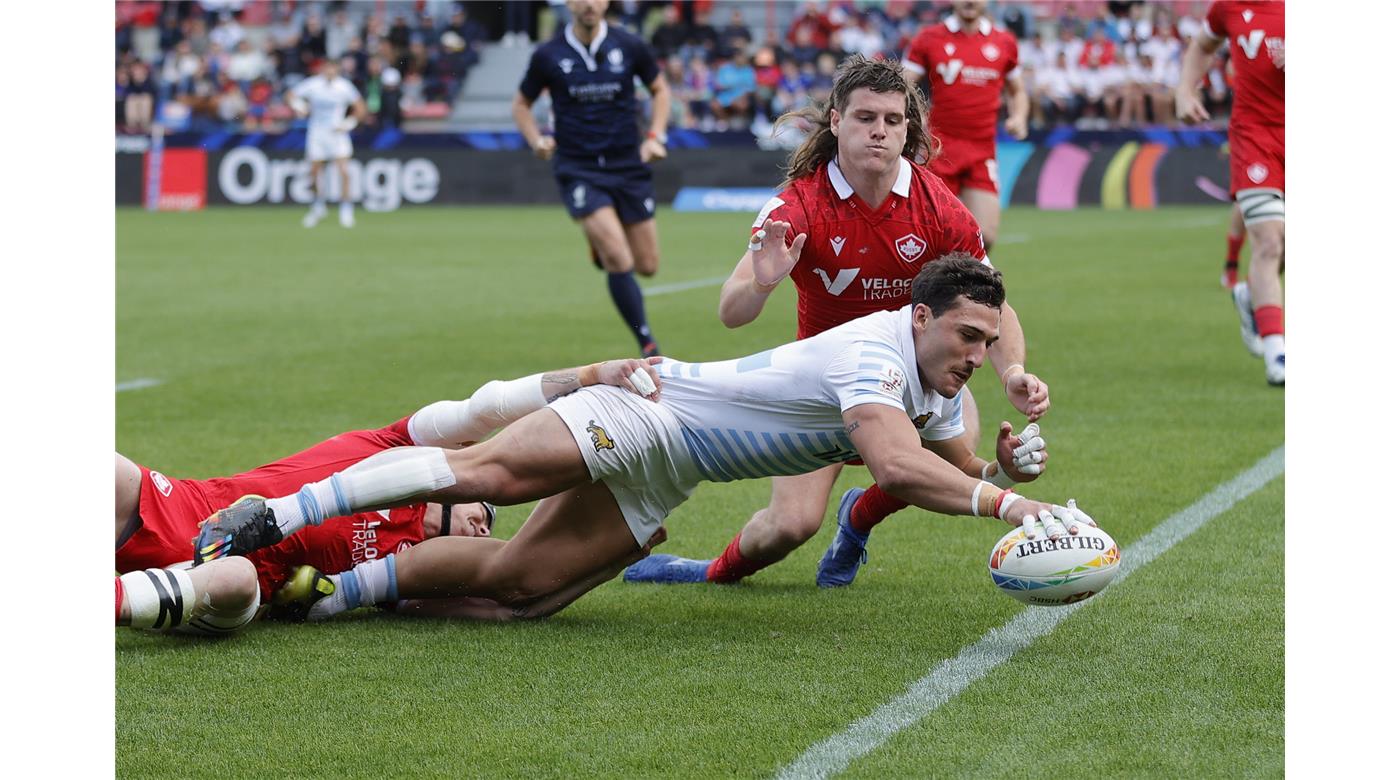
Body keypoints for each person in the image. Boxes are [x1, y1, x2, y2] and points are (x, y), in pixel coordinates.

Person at [195, 256, 1096, 624]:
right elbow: (894, 463)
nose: (978, 356)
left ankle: (324, 600)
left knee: (520, 596)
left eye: (989, 342)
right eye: (967, 338)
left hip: (674, 472)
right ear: (921, 318)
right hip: (653, 412)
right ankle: (272, 513)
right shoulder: (873, 350)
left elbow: (944, 462)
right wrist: (1017, 506)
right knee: (491, 476)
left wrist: (997, 466)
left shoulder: (935, 384)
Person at [624, 56, 1049, 590]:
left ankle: (857, 520)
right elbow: (731, 313)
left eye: (894, 121)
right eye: (865, 117)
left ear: (908, 129)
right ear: (835, 122)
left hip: (911, 383)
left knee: (951, 451)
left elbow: (993, 300)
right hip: (823, 388)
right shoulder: (799, 203)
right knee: (789, 526)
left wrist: (1012, 373)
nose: (880, 131)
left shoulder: (935, 202)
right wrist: (761, 281)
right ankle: (709, 570)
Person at [117, 357, 661, 635]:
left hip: (229, 590)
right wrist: (590, 374)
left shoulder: (407, 574)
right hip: (185, 506)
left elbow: (513, 605)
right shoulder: (391, 449)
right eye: (484, 511)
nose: (481, 526)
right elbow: (485, 408)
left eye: (487, 530)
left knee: (234, 580)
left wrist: (614, 558)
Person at [512, 0, 672, 358]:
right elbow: (521, 104)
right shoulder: (548, 54)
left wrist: (656, 136)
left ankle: (599, 241)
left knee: (647, 266)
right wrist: (537, 140)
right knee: (619, 257)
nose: (589, 4)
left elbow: (660, 90)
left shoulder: (629, 45)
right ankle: (647, 344)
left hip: (628, 164)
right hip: (578, 167)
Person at [1177, 1, 1284, 385]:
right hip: (1256, 138)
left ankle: (1251, 298)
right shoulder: (1228, 7)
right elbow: (1203, 45)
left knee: (1283, 246)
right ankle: (1278, 354)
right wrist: (1185, 91)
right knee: (1269, 242)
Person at [901, 0, 1029, 253]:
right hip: (939, 149)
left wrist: (1019, 117)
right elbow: (901, 85)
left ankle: (956, 285)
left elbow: (1018, 91)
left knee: (986, 236)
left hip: (982, 150)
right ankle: (931, 288)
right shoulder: (929, 38)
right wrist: (911, 118)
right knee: (929, 235)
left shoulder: (1004, 42)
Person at [286, 58, 367, 228]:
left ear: (337, 70)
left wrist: (348, 123)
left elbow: (361, 108)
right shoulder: (313, 84)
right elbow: (290, 95)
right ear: (323, 69)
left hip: (337, 134)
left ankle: (346, 211)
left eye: (333, 68)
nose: (330, 71)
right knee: (314, 173)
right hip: (317, 133)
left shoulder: (344, 87)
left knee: (344, 172)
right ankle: (317, 206)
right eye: (327, 68)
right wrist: (299, 106)